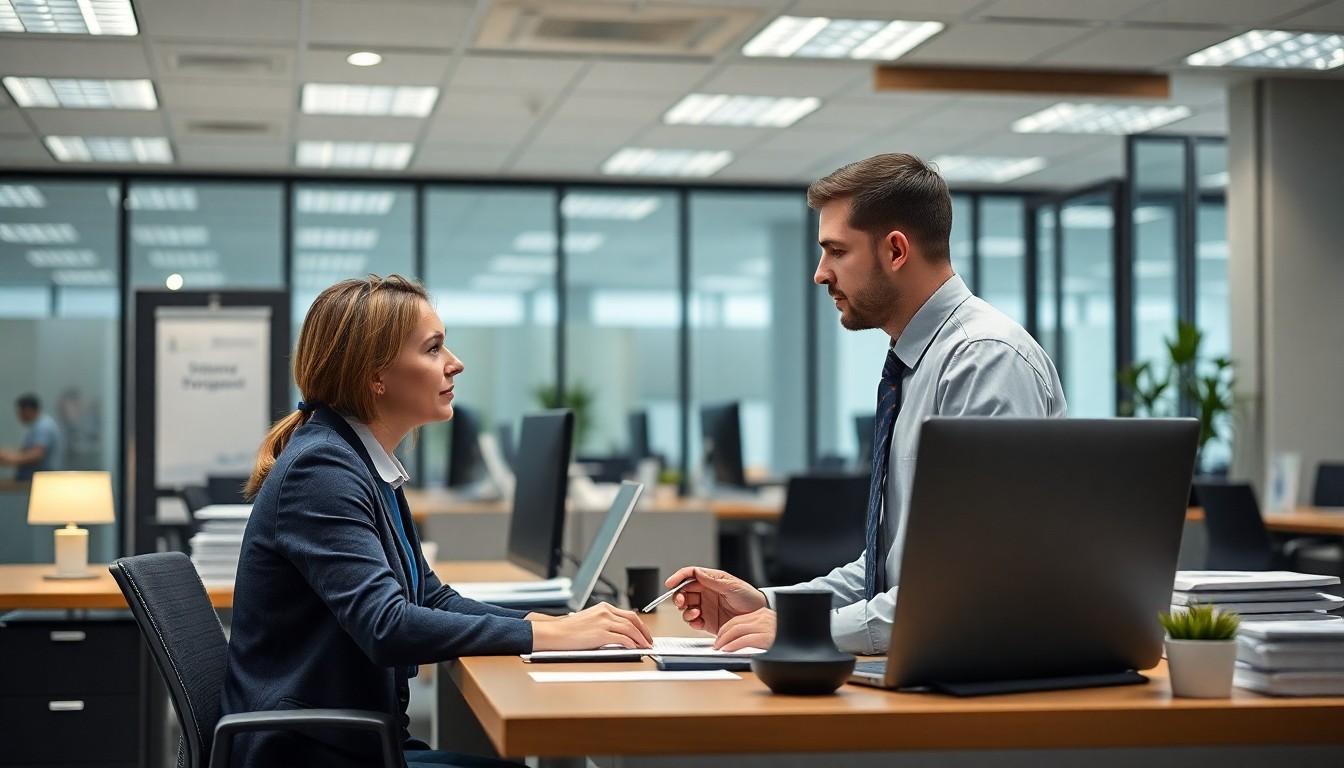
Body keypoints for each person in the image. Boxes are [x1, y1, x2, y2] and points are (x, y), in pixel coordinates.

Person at [221, 275, 651, 768]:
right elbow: (386, 625)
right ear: (375, 375)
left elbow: (430, 597)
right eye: (433, 348)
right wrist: (549, 638)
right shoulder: (321, 471)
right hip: (308, 754)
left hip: (348, 743)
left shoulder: (361, 461)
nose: (455, 363)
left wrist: (544, 623)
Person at [667, 153, 1067, 656]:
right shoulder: (917, 364)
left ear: (895, 250)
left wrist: (810, 633)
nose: (820, 274)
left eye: (836, 251)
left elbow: (977, 581)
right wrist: (770, 606)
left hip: (985, 672)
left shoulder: (984, 361)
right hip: (932, 659)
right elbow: (888, 572)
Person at [0, 393, 61, 481]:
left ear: (28, 410)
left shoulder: (43, 426)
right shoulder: (38, 425)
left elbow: (36, 454)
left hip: (38, 479)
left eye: (20, 411)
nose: (19, 415)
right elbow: (28, 449)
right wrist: (7, 453)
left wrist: (12, 460)